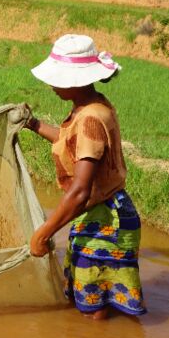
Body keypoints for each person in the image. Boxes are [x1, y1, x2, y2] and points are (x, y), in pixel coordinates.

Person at [23, 34, 145, 320]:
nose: (51, 84)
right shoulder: (89, 107)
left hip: (106, 222)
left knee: (95, 307)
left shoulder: (90, 119)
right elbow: (70, 142)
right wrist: (34, 124)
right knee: (88, 291)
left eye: (56, 78)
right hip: (98, 212)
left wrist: (42, 234)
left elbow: (79, 191)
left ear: (74, 81)